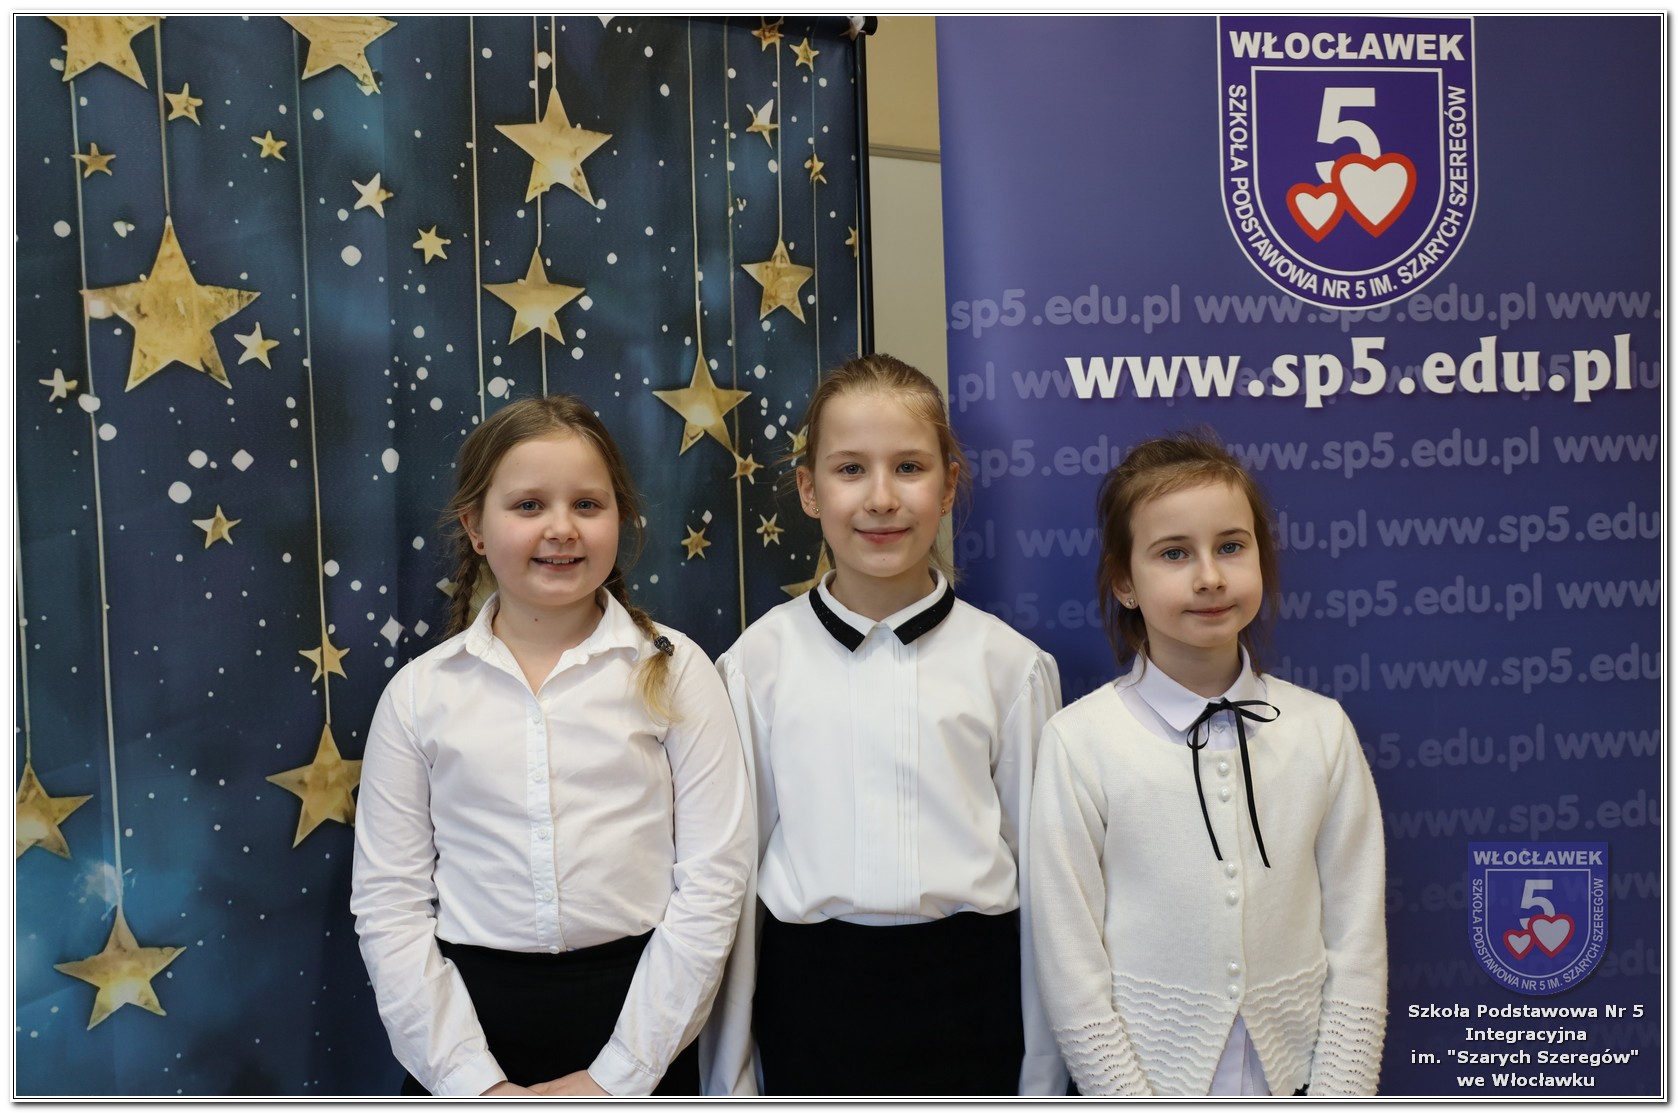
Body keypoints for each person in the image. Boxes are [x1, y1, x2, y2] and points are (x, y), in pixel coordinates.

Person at [351, 395, 752, 1098]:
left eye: (587, 505)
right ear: (476, 527)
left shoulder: (678, 670)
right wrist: (474, 1085)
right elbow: (390, 905)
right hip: (466, 1036)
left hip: (642, 1027)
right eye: (529, 505)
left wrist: (616, 1078)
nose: (561, 528)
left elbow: (714, 882)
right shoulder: (418, 695)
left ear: (620, 517)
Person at [701, 354, 1069, 1097]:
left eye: (908, 467)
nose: (881, 498)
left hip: (973, 1005)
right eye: (850, 469)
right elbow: (732, 888)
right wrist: (730, 1076)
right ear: (809, 490)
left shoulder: (1012, 667)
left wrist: (1043, 1078)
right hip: (811, 1007)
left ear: (949, 485)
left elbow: (1048, 890)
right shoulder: (754, 666)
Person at [1028, 430, 1387, 1096]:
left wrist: (1342, 1093)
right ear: (1124, 581)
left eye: (1231, 546)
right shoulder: (1079, 742)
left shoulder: (1322, 730)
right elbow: (1069, 960)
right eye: (1174, 553)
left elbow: (1357, 937)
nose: (1210, 577)